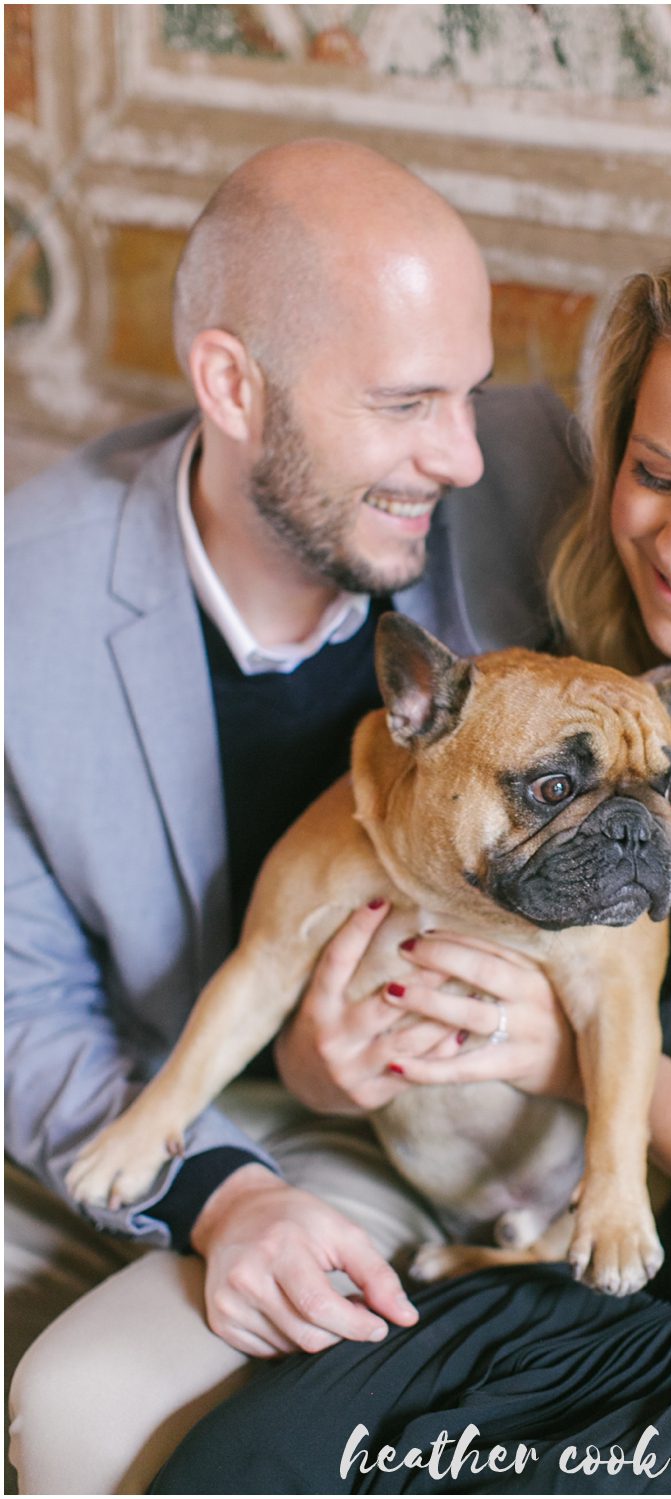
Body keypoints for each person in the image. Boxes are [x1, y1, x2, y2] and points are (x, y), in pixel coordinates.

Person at [153, 201, 671, 1493]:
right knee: (246, 1466)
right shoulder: (602, 661)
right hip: (616, 1258)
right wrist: (329, 1060)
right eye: (656, 472)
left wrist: (581, 1062)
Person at [4, 139, 585, 1492]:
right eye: (404, 402)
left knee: (78, 1399)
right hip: (164, 1089)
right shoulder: (20, 603)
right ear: (231, 384)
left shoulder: (541, 487)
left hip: (470, 1124)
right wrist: (224, 1189)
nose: (457, 453)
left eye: (470, 392)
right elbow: (23, 1002)